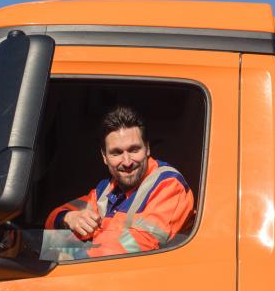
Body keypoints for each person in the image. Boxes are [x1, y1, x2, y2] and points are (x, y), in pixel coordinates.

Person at [43, 106, 195, 258]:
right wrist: (69, 218)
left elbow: (139, 245)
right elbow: (52, 221)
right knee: (32, 242)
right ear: (104, 157)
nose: (127, 162)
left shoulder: (168, 184)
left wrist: (92, 236)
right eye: (117, 153)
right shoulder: (106, 188)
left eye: (134, 150)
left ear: (147, 148)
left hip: (136, 274)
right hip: (105, 266)